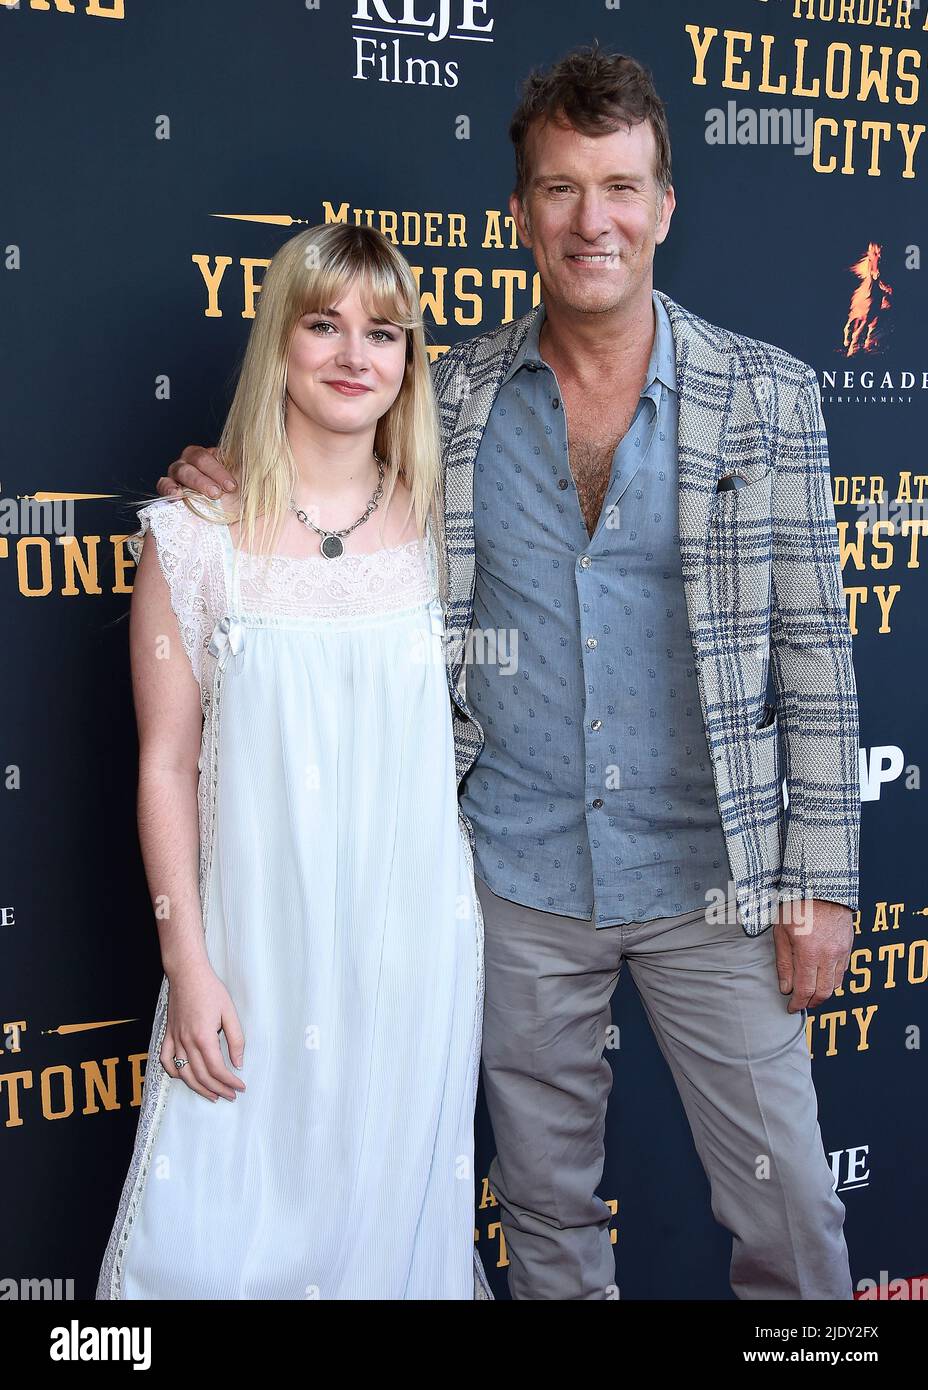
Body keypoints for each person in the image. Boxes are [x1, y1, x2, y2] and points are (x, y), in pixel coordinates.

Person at [156, 45, 861, 1300]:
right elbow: (329, 471)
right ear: (520, 211)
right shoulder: (455, 398)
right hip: (515, 883)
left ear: (664, 206)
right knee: (542, 1215)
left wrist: (825, 881)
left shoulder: (768, 396)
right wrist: (226, 479)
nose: (593, 220)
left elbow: (816, 653)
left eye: (620, 187)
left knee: (793, 1209)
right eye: (559, 189)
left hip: (719, 883)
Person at [97, 222, 493, 1301]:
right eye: (322, 323)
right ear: (278, 340)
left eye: (383, 331)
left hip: (416, 954)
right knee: (215, 1241)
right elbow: (164, 765)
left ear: (409, 359)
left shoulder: (451, 524)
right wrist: (188, 965)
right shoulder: (192, 534)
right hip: (255, 953)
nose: (352, 354)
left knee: (390, 1246)